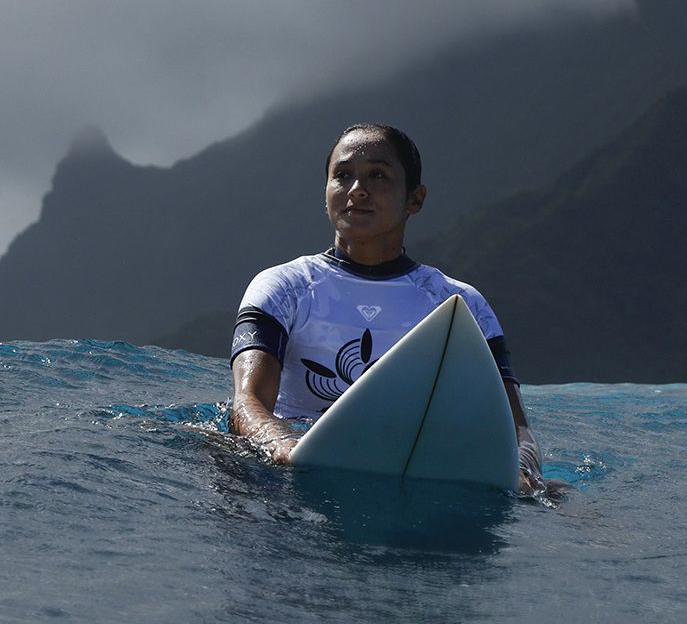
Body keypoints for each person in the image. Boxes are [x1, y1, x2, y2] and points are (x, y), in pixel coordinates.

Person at [227, 122, 554, 495]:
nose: (357, 190)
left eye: (377, 175)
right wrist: (280, 445)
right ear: (326, 192)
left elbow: (517, 429)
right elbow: (247, 401)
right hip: (300, 466)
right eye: (342, 176)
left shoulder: (459, 305)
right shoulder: (284, 287)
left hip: (410, 471)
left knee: (558, 497)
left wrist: (524, 471)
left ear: (415, 199)